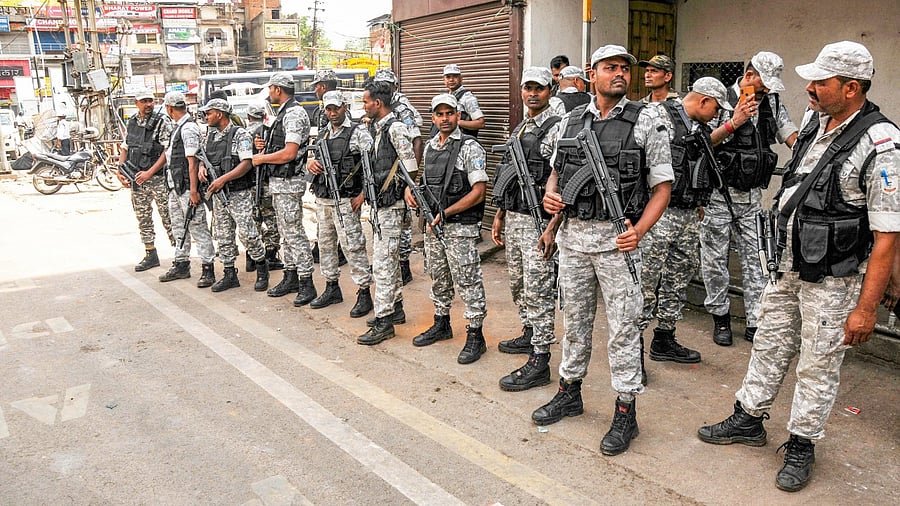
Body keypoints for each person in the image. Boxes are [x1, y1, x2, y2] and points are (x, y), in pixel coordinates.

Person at [698, 41, 899, 493]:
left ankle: (802, 443)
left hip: (835, 277)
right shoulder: (816, 120)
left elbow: (888, 235)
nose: (809, 87)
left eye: (820, 82)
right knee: (769, 342)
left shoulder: (881, 144)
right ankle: (748, 418)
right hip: (787, 264)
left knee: (817, 363)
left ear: (851, 88)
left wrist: (866, 309)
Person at [535, 45, 673, 456]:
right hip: (573, 240)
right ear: (591, 74)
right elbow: (557, 174)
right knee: (575, 322)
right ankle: (569, 391)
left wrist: (640, 232)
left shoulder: (649, 119)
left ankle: (626, 410)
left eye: (623, 68)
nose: (618, 74)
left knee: (624, 328)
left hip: (617, 243)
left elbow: (663, 188)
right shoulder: (569, 121)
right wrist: (550, 204)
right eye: (609, 68)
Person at [637, 76, 734, 383]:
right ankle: (632, 350)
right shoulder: (655, 115)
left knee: (678, 278)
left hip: (688, 214)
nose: (717, 117)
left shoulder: (701, 128)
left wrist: (699, 199)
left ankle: (664, 337)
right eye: (716, 110)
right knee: (645, 283)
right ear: (704, 101)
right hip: (658, 214)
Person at [701, 51, 799, 346]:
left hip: (752, 196)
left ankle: (756, 321)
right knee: (715, 260)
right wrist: (735, 120)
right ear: (749, 76)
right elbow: (705, 142)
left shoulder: (773, 102)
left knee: (757, 260)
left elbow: (790, 135)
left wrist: (808, 156)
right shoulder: (721, 99)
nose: (767, 89)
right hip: (719, 195)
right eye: (763, 82)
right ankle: (721, 318)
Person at [492, 67, 563, 390]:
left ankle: (540, 357)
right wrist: (500, 214)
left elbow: (560, 179)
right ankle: (530, 332)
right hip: (516, 217)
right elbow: (509, 172)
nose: (532, 94)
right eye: (528, 88)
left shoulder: (556, 128)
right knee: (520, 285)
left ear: (550, 91)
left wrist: (551, 227)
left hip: (538, 221)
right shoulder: (522, 127)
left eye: (539, 89)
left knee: (539, 289)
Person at [407, 93, 490, 364]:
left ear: (458, 115)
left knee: (468, 280)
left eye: (449, 113)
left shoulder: (469, 147)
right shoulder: (431, 146)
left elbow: (478, 192)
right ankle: (442, 323)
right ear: (433, 118)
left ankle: (476, 334)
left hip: (460, 228)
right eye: (439, 114)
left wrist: (446, 212)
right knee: (439, 277)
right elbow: (427, 183)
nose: (445, 118)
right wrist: (413, 191)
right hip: (435, 227)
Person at [357, 79, 418, 345]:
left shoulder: (395, 129)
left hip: (392, 206)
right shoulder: (378, 128)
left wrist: (407, 189)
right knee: (387, 263)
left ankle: (384, 321)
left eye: (365, 101)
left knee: (382, 265)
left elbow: (410, 164)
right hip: (381, 205)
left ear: (377, 103)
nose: (364, 106)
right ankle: (396, 309)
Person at [305, 91, 375, 317]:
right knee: (325, 244)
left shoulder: (358, 133)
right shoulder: (324, 133)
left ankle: (364, 292)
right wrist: (311, 164)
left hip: (346, 199)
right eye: (328, 109)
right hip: (324, 198)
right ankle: (331, 287)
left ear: (345, 107)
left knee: (352, 246)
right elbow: (312, 157)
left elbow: (372, 165)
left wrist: (364, 194)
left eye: (336, 108)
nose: (332, 112)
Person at [252, 72, 317, 306]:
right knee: (285, 230)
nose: (269, 93)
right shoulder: (284, 113)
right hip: (279, 182)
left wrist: (262, 159)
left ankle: (306, 281)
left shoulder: (294, 114)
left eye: (271, 89)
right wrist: (264, 146)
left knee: (294, 232)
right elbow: (281, 143)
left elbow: (290, 153)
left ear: (278, 89)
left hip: (289, 182)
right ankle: (291, 275)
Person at [198, 98, 269, 293]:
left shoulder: (240, 135)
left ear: (219, 114)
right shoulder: (210, 136)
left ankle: (262, 267)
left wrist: (223, 179)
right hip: (218, 194)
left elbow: (246, 163)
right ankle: (229, 273)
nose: (206, 117)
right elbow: (202, 157)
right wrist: (202, 168)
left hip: (238, 193)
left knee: (248, 233)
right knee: (223, 234)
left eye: (209, 113)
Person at [158, 91, 217, 288]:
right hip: (176, 186)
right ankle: (181, 263)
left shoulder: (188, 128)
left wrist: (193, 191)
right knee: (178, 226)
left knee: (197, 227)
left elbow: (192, 162)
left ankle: (208, 267)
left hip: (186, 187)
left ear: (169, 108)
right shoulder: (178, 127)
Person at [117, 88, 175, 273]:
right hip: (137, 178)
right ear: (136, 103)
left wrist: (150, 172)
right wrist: (121, 170)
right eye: (144, 101)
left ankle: (180, 256)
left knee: (169, 217)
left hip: (157, 178)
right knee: (143, 218)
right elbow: (125, 147)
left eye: (150, 100)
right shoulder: (132, 121)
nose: (148, 104)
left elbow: (167, 151)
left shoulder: (162, 121)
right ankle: (150, 253)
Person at [374, 68, 424, 285]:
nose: (383, 88)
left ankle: (403, 264)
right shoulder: (379, 107)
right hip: (385, 172)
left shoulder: (402, 109)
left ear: (394, 86)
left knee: (402, 222)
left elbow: (417, 141)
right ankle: (389, 262)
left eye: (387, 84)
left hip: (401, 171)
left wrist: (411, 177)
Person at [245, 102, 284, 273]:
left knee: (253, 220)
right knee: (271, 220)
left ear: (248, 117)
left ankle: (252, 256)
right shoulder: (269, 133)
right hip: (266, 183)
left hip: (249, 185)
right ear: (264, 116)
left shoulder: (242, 134)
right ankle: (271, 254)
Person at [433, 64, 485, 138]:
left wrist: (456, 122)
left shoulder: (467, 98)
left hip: (462, 144)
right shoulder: (446, 97)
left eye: (455, 76)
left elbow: (480, 123)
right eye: (448, 77)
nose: (451, 80)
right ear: (444, 80)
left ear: (461, 78)